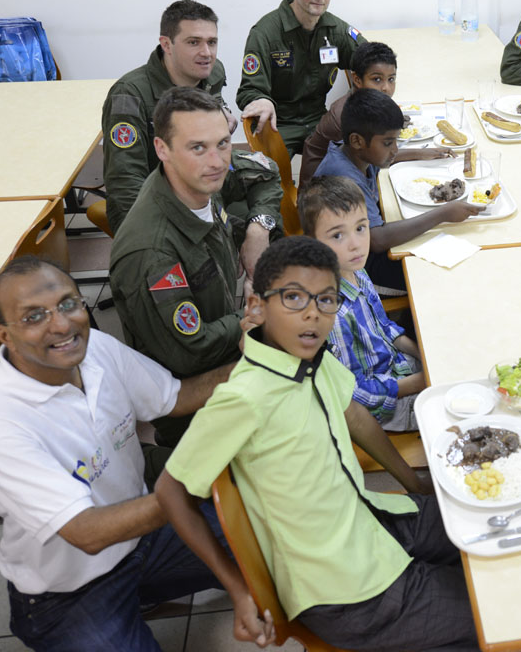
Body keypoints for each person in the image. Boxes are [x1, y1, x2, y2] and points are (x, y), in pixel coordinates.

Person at [155, 236, 478, 652]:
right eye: (293, 297)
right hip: (346, 591)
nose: (312, 314)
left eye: (327, 300)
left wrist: (413, 485)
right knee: (490, 613)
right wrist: (238, 590)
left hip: (372, 520)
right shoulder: (244, 397)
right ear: (256, 306)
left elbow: (356, 416)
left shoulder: (313, 358)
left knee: (476, 521)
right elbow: (170, 490)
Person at [0, 256, 236, 652]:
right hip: (70, 590)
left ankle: (146, 590)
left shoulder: (95, 350)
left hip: (141, 540)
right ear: (3, 335)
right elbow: (86, 533)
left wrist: (257, 369)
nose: (61, 324)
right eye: (34, 316)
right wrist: (194, 476)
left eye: (69, 304)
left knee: (269, 536)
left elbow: (175, 396)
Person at [109, 87, 256, 448]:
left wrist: (259, 231)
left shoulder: (194, 182)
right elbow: (191, 349)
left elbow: (264, 176)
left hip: (232, 349)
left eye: (223, 143)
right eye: (198, 147)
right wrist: (251, 317)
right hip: (196, 405)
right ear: (162, 149)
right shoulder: (152, 252)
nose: (218, 161)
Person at [101, 0, 283, 238]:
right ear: (166, 44)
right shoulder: (129, 96)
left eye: (212, 42)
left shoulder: (213, 72)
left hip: (203, 180)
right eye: (193, 42)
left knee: (268, 218)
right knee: (227, 237)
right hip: (156, 201)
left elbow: (213, 105)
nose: (206, 53)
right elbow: (126, 184)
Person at [313, 89, 482, 291]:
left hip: (359, 251)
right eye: (388, 142)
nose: (394, 149)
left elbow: (380, 158)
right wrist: (443, 213)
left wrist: (420, 153)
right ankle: (411, 317)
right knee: (442, 275)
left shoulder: (352, 153)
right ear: (357, 140)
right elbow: (377, 240)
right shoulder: (345, 180)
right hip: (360, 270)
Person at [301, 175, 426, 430]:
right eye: (338, 236)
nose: (356, 244)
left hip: (395, 367)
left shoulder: (356, 271)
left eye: (360, 228)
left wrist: (423, 356)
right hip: (383, 408)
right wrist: (420, 382)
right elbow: (354, 394)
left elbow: (385, 328)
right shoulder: (331, 314)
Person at [237, 0, 367, 158]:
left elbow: (368, 59)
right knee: (268, 182)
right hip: (278, 123)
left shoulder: (335, 29)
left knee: (351, 163)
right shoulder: (265, 32)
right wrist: (262, 99)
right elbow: (249, 90)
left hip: (318, 119)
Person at [299, 41, 450, 190]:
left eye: (391, 79)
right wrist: (419, 153)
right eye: (377, 79)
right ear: (357, 79)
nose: (386, 88)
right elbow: (375, 155)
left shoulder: (365, 102)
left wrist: (420, 152)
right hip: (321, 195)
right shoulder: (347, 116)